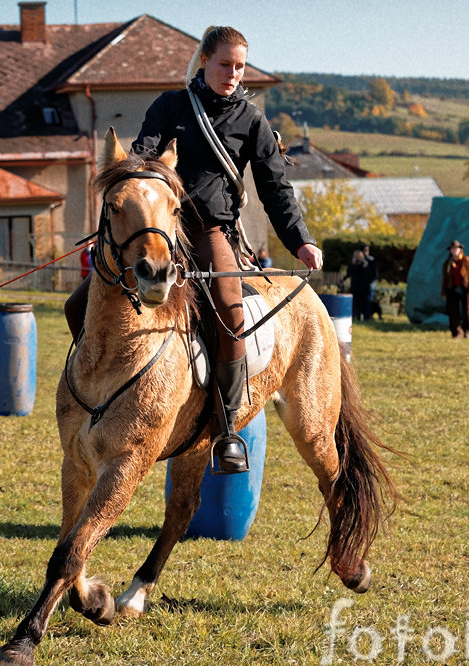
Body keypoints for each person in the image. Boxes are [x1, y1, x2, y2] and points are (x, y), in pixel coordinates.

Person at [64, 25, 322, 474]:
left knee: (231, 312)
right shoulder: (171, 105)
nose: (233, 74)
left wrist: (300, 239)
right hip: (159, 227)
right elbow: (143, 155)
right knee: (77, 304)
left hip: (209, 231)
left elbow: (276, 188)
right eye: (225, 64)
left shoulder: (252, 121)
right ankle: (94, 396)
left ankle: (225, 430)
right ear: (204, 60)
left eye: (240, 66)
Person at [441, 239, 469, 339]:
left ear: (460, 249)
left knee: (468, 311)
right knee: (453, 311)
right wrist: (444, 291)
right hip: (452, 289)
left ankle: (467, 330)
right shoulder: (447, 263)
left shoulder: (468, 261)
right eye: (453, 249)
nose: (455, 250)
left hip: (465, 289)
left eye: (456, 248)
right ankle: (457, 332)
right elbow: (444, 278)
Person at [345, 249, 373, 321]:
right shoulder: (353, 264)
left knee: (364, 303)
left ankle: (365, 318)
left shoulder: (365, 264)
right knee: (355, 303)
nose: (357, 258)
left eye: (359, 256)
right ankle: (355, 316)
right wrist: (353, 265)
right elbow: (349, 273)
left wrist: (365, 265)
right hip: (355, 287)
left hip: (364, 288)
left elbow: (368, 275)